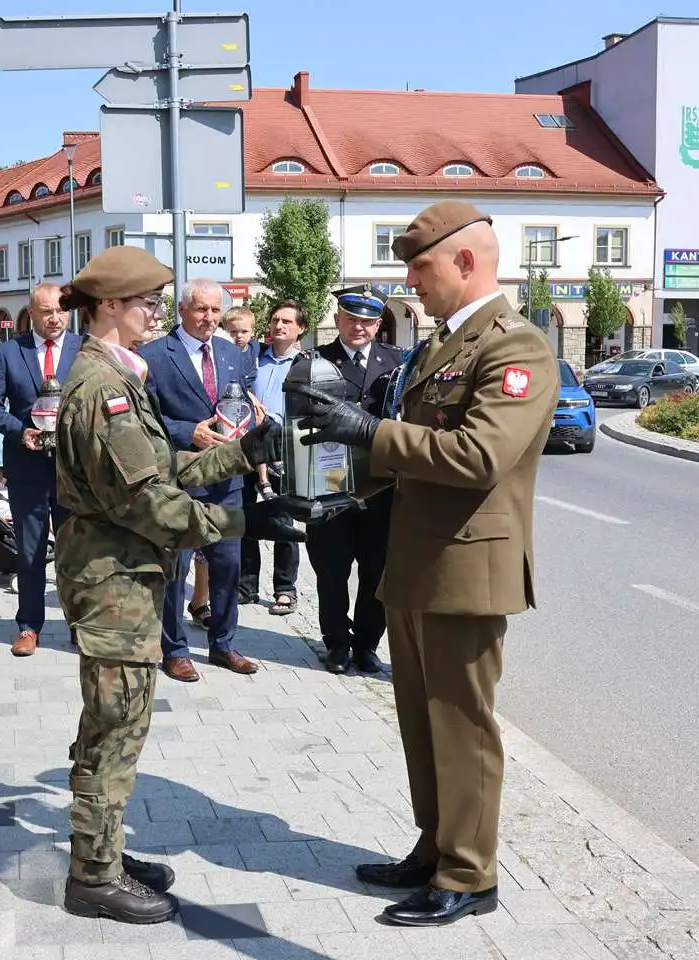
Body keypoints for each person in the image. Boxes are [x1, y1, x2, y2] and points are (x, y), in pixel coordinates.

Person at [287, 201, 560, 926]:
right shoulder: (443, 345)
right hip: (415, 561)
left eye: (420, 268)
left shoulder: (516, 347)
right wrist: (337, 495)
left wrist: (372, 432)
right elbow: (409, 454)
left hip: (468, 569)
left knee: (461, 724)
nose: (412, 283)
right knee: (420, 720)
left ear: (465, 262)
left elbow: (476, 458)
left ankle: (470, 875)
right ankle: (434, 848)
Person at [52, 246, 301, 924]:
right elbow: (146, 505)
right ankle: (94, 878)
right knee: (116, 729)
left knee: (115, 724)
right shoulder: (100, 389)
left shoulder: (116, 377)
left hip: (120, 576)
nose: (153, 314)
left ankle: (101, 848)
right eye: (144, 304)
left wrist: (241, 452)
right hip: (114, 582)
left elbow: (160, 465)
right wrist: (245, 518)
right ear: (108, 307)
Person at [138, 278, 259, 682]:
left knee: (227, 565)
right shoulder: (154, 355)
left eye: (214, 310)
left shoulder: (230, 352)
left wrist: (251, 421)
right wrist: (187, 430)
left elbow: (240, 401)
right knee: (176, 568)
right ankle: (174, 650)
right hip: (181, 478)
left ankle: (224, 644)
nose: (209, 318)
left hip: (228, 478)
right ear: (182, 311)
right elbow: (147, 418)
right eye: (201, 310)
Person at [0, 282, 83, 657]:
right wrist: (20, 432)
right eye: (45, 312)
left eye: (60, 311)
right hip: (27, 467)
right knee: (31, 551)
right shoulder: (9, 352)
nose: (54, 318)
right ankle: (28, 626)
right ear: (31, 315)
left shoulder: (84, 350)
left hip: (75, 469)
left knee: (76, 551)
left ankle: (78, 625)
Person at [303, 290, 403, 675]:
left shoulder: (396, 363)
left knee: (376, 572)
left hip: (380, 488)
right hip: (331, 486)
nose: (358, 327)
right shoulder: (316, 362)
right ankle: (337, 645)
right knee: (331, 571)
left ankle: (366, 645)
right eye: (351, 319)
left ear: (378, 325)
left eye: (367, 322)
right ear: (338, 319)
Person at [241, 300, 306, 615]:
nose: (279, 326)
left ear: (300, 329)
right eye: (275, 320)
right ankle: (246, 585)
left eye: (287, 322)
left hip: (283, 450)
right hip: (247, 449)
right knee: (243, 516)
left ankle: (284, 588)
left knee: (282, 520)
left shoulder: (304, 365)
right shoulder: (252, 359)